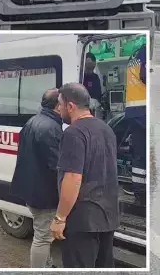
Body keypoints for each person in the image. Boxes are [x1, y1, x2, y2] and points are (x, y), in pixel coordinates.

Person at [51, 83, 119, 268]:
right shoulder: (107, 129)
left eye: (60, 104)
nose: (58, 108)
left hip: (82, 220)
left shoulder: (73, 133)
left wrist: (60, 218)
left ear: (70, 106)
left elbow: (73, 178)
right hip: (107, 217)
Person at [11, 88, 63, 268]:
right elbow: (56, 167)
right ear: (58, 106)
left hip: (32, 190)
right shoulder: (51, 127)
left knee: (41, 232)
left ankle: (46, 264)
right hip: (44, 194)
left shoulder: (33, 121)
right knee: (42, 238)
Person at [124, 42, 147, 206]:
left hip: (134, 111)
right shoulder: (148, 52)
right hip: (145, 109)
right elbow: (147, 76)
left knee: (140, 154)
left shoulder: (135, 54)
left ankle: (140, 193)